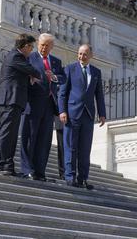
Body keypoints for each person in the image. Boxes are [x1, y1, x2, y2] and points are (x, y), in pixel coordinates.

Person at [0, 33, 41, 176]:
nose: (32, 50)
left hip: (13, 101)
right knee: (6, 134)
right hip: (9, 100)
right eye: (31, 47)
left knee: (11, 135)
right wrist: (33, 75)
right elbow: (35, 72)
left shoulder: (15, 58)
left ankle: (8, 165)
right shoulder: (16, 56)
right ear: (25, 46)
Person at [58, 43, 106, 190]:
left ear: (90, 55)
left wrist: (102, 113)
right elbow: (62, 93)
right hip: (72, 113)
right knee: (70, 146)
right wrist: (62, 111)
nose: (81, 56)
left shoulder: (96, 72)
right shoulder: (70, 69)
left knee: (85, 149)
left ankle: (83, 178)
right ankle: (70, 176)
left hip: (88, 114)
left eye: (85, 54)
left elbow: (99, 94)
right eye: (79, 53)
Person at [21, 33, 65, 181]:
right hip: (33, 103)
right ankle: (27, 169)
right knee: (29, 137)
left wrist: (54, 77)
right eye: (42, 44)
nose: (44, 48)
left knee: (45, 140)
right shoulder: (30, 58)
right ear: (38, 44)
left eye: (47, 45)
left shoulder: (56, 62)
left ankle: (40, 171)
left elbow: (63, 77)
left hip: (49, 105)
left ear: (52, 47)